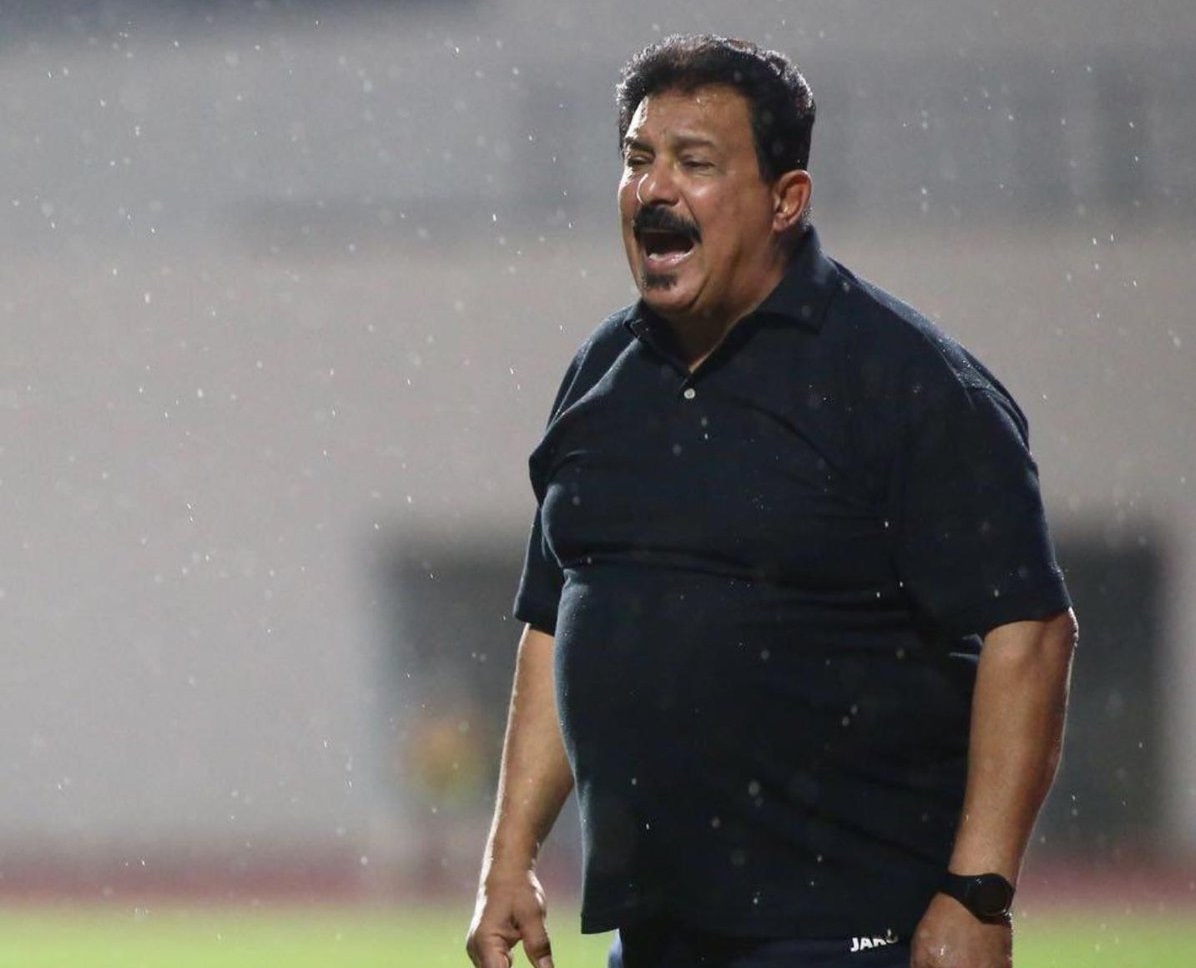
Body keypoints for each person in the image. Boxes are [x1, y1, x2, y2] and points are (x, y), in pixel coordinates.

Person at [466, 34, 1077, 968]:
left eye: (694, 162)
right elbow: (557, 621)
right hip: (656, 936)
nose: (653, 188)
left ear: (786, 199)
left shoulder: (904, 381)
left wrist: (979, 893)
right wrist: (508, 859)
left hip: (849, 930)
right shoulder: (602, 374)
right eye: (637, 158)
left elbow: (1028, 631)